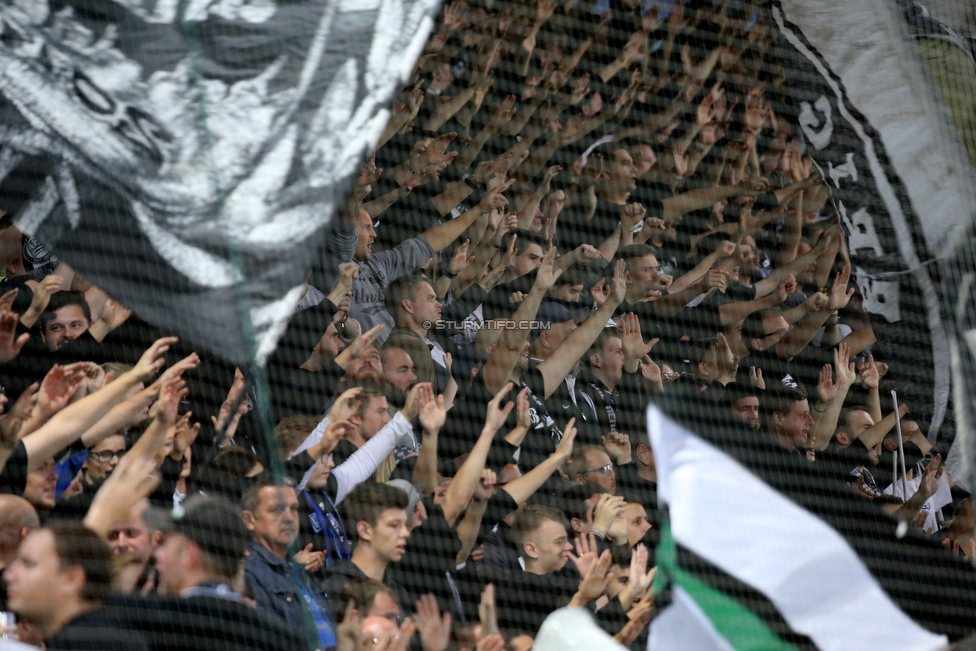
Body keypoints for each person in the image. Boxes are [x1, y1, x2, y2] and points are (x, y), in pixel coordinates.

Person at [107, 495, 307, 651]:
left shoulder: (146, 622)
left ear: (188, 553)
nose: (157, 554)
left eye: (166, 544)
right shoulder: (284, 638)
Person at [5, 521, 148, 649]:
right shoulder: (93, 634)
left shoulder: (85, 642)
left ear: (71, 579)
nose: (8, 576)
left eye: (28, 564)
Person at [241, 477, 338, 651]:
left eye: (293, 509)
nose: (288, 518)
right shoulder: (248, 574)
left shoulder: (300, 572)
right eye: (276, 509)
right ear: (248, 520)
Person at [322, 482, 411, 610]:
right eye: (394, 525)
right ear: (365, 531)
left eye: (405, 525)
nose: (405, 533)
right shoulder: (336, 589)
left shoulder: (399, 594)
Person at [760, 386, 814, 458]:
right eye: (802, 415)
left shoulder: (800, 461)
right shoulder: (756, 453)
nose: (811, 421)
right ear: (778, 418)